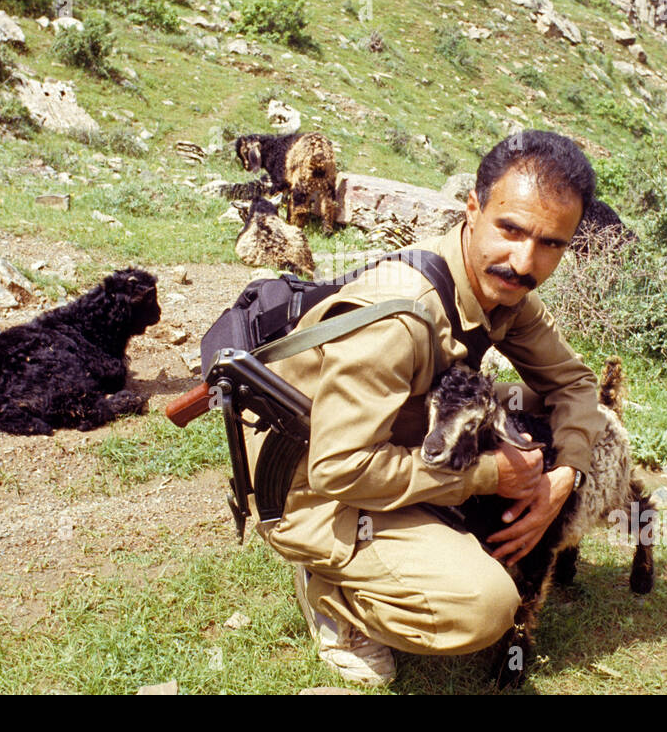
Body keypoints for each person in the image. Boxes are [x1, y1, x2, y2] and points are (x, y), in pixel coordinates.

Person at [245, 129, 610, 686]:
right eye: (509, 229)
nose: (523, 260)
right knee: (485, 606)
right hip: (308, 487)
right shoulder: (401, 319)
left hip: (379, 444)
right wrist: (489, 476)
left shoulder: (503, 291)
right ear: (472, 209)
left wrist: (564, 475)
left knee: (534, 401)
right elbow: (338, 468)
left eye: (550, 243)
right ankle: (334, 592)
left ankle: (422, 532)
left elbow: (575, 384)